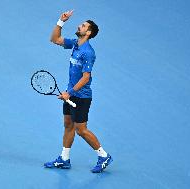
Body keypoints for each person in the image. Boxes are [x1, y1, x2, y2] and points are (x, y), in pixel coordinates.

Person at [44, 10, 113, 173]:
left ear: (88, 33)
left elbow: (86, 77)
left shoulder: (88, 52)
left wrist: (70, 92)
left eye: (83, 26)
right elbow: (54, 39)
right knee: (68, 124)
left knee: (81, 130)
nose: (79, 26)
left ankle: (104, 156)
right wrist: (61, 21)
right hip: (71, 93)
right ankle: (64, 159)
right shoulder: (75, 44)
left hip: (81, 96)